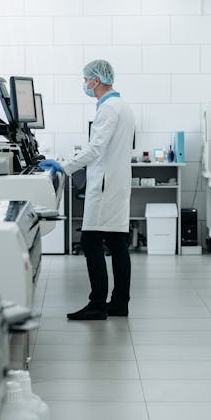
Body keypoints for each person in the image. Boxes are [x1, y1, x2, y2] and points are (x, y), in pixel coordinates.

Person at [39, 60, 136, 321]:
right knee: (117, 243)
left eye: (86, 79)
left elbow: (95, 150)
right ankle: (119, 303)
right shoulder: (123, 106)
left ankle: (97, 304)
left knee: (91, 241)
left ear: (96, 79)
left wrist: (63, 166)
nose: (84, 83)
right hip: (116, 182)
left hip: (105, 184)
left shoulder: (108, 109)